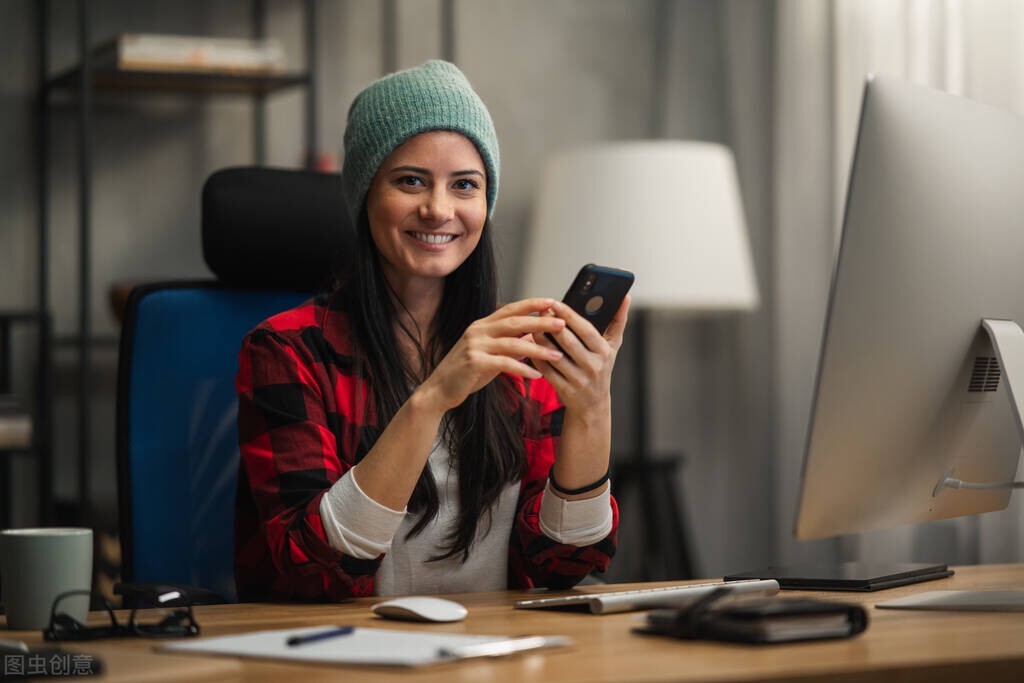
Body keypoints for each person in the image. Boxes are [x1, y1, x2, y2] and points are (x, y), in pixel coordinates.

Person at [234, 60, 630, 602]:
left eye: (464, 185)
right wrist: (433, 398)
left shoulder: (519, 354)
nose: (438, 209)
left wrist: (593, 409)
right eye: (410, 181)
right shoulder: (285, 350)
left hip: (496, 654)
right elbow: (313, 570)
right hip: (341, 654)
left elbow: (566, 565)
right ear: (366, 196)